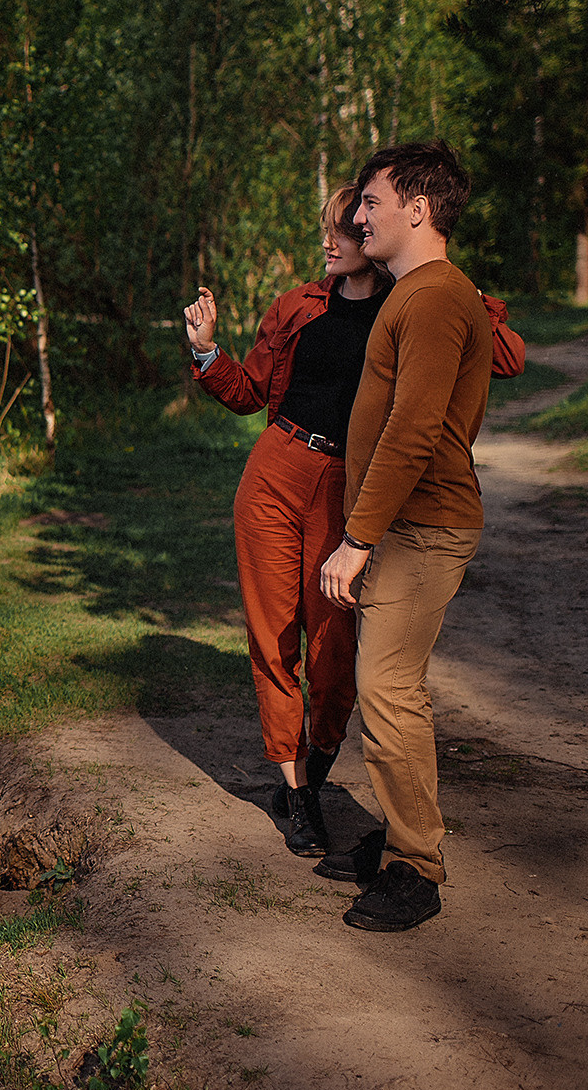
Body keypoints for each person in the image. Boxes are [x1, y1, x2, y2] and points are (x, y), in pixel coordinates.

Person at [185, 186, 524, 863]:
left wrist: (455, 282)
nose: (332, 241)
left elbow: (508, 356)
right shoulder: (297, 306)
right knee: (272, 634)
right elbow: (251, 392)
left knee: (334, 650)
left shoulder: (415, 300)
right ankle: (296, 787)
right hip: (275, 471)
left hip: (350, 488)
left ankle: (316, 762)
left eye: (344, 228)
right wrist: (206, 351)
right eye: (330, 229)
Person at [317, 139, 495, 933]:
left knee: (388, 689)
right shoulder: (421, 292)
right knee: (385, 684)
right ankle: (398, 833)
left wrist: (357, 537)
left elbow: (417, 430)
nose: (358, 215)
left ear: (417, 209)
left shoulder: (431, 298)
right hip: (406, 522)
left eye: (372, 203)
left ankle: (415, 867)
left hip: (421, 527)